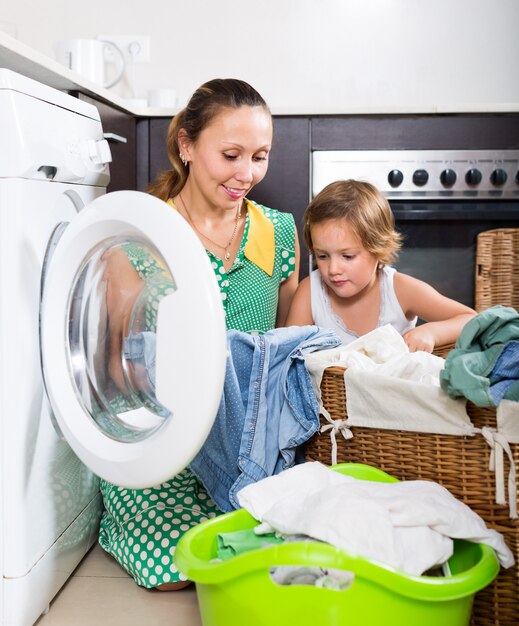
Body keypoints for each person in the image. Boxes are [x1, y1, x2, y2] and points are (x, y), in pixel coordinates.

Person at [99, 78, 300, 590]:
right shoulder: (144, 238)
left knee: (268, 551)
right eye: (230, 154)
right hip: (160, 434)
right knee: (177, 568)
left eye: (260, 156)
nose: (246, 174)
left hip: (246, 434)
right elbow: (114, 370)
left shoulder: (278, 232)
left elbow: (282, 346)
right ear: (187, 146)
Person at [286, 179, 475, 352]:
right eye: (323, 255)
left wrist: (432, 332)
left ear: (378, 249)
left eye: (348, 256)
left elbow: (471, 319)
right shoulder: (310, 291)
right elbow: (287, 355)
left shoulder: (400, 290)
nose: (333, 269)